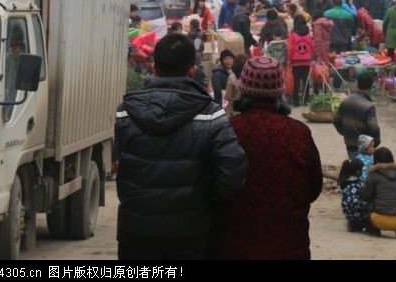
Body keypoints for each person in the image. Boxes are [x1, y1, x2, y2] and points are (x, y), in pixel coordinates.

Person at [115, 34, 247, 260]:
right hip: (190, 233)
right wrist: (204, 199)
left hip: (136, 232)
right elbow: (232, 170)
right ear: (192, 72)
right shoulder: (210, 114)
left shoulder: (126, 111)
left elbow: (121, 160)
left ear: (154, 68)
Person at [216, 56, 323, 260]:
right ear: (280, 91)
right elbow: (313, 187)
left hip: (235, 245)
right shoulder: (298, 132)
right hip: (289, 245)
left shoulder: (228, 131)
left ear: (244, 88)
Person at [360, 147, 396, 239]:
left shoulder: (374, 174)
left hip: (379, 220)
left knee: (368, 203)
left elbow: (364, 196)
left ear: (375, 160)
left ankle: (374, 229)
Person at [333, 72, 381, 158]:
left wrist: (345, 132)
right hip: (365, 145)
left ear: (357, 84)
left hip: (349, 143)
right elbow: (374, 128)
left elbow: (336, 120)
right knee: (364, 168)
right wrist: (376, 142)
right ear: (371, 86)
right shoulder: (369, 105)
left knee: (353, 167)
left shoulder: (345, 101)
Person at [287, 15, 314, 107]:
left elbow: (290, 48)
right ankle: (305, 100)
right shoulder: (308, 33)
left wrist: (289, 59)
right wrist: (311, 56)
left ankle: (296, 102)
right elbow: (311, 45)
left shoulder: (293, 34)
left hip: (295, 62)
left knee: (296, 82)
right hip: (306, 60)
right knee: (306, 81)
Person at [338, 158, 370, 233]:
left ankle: (354, 224)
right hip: (356, 213)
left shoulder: (345, 182)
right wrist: (366, 204)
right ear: (358, 171)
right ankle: (356, 223)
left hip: (348, 213)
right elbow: (355, 203)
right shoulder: (355, 185)